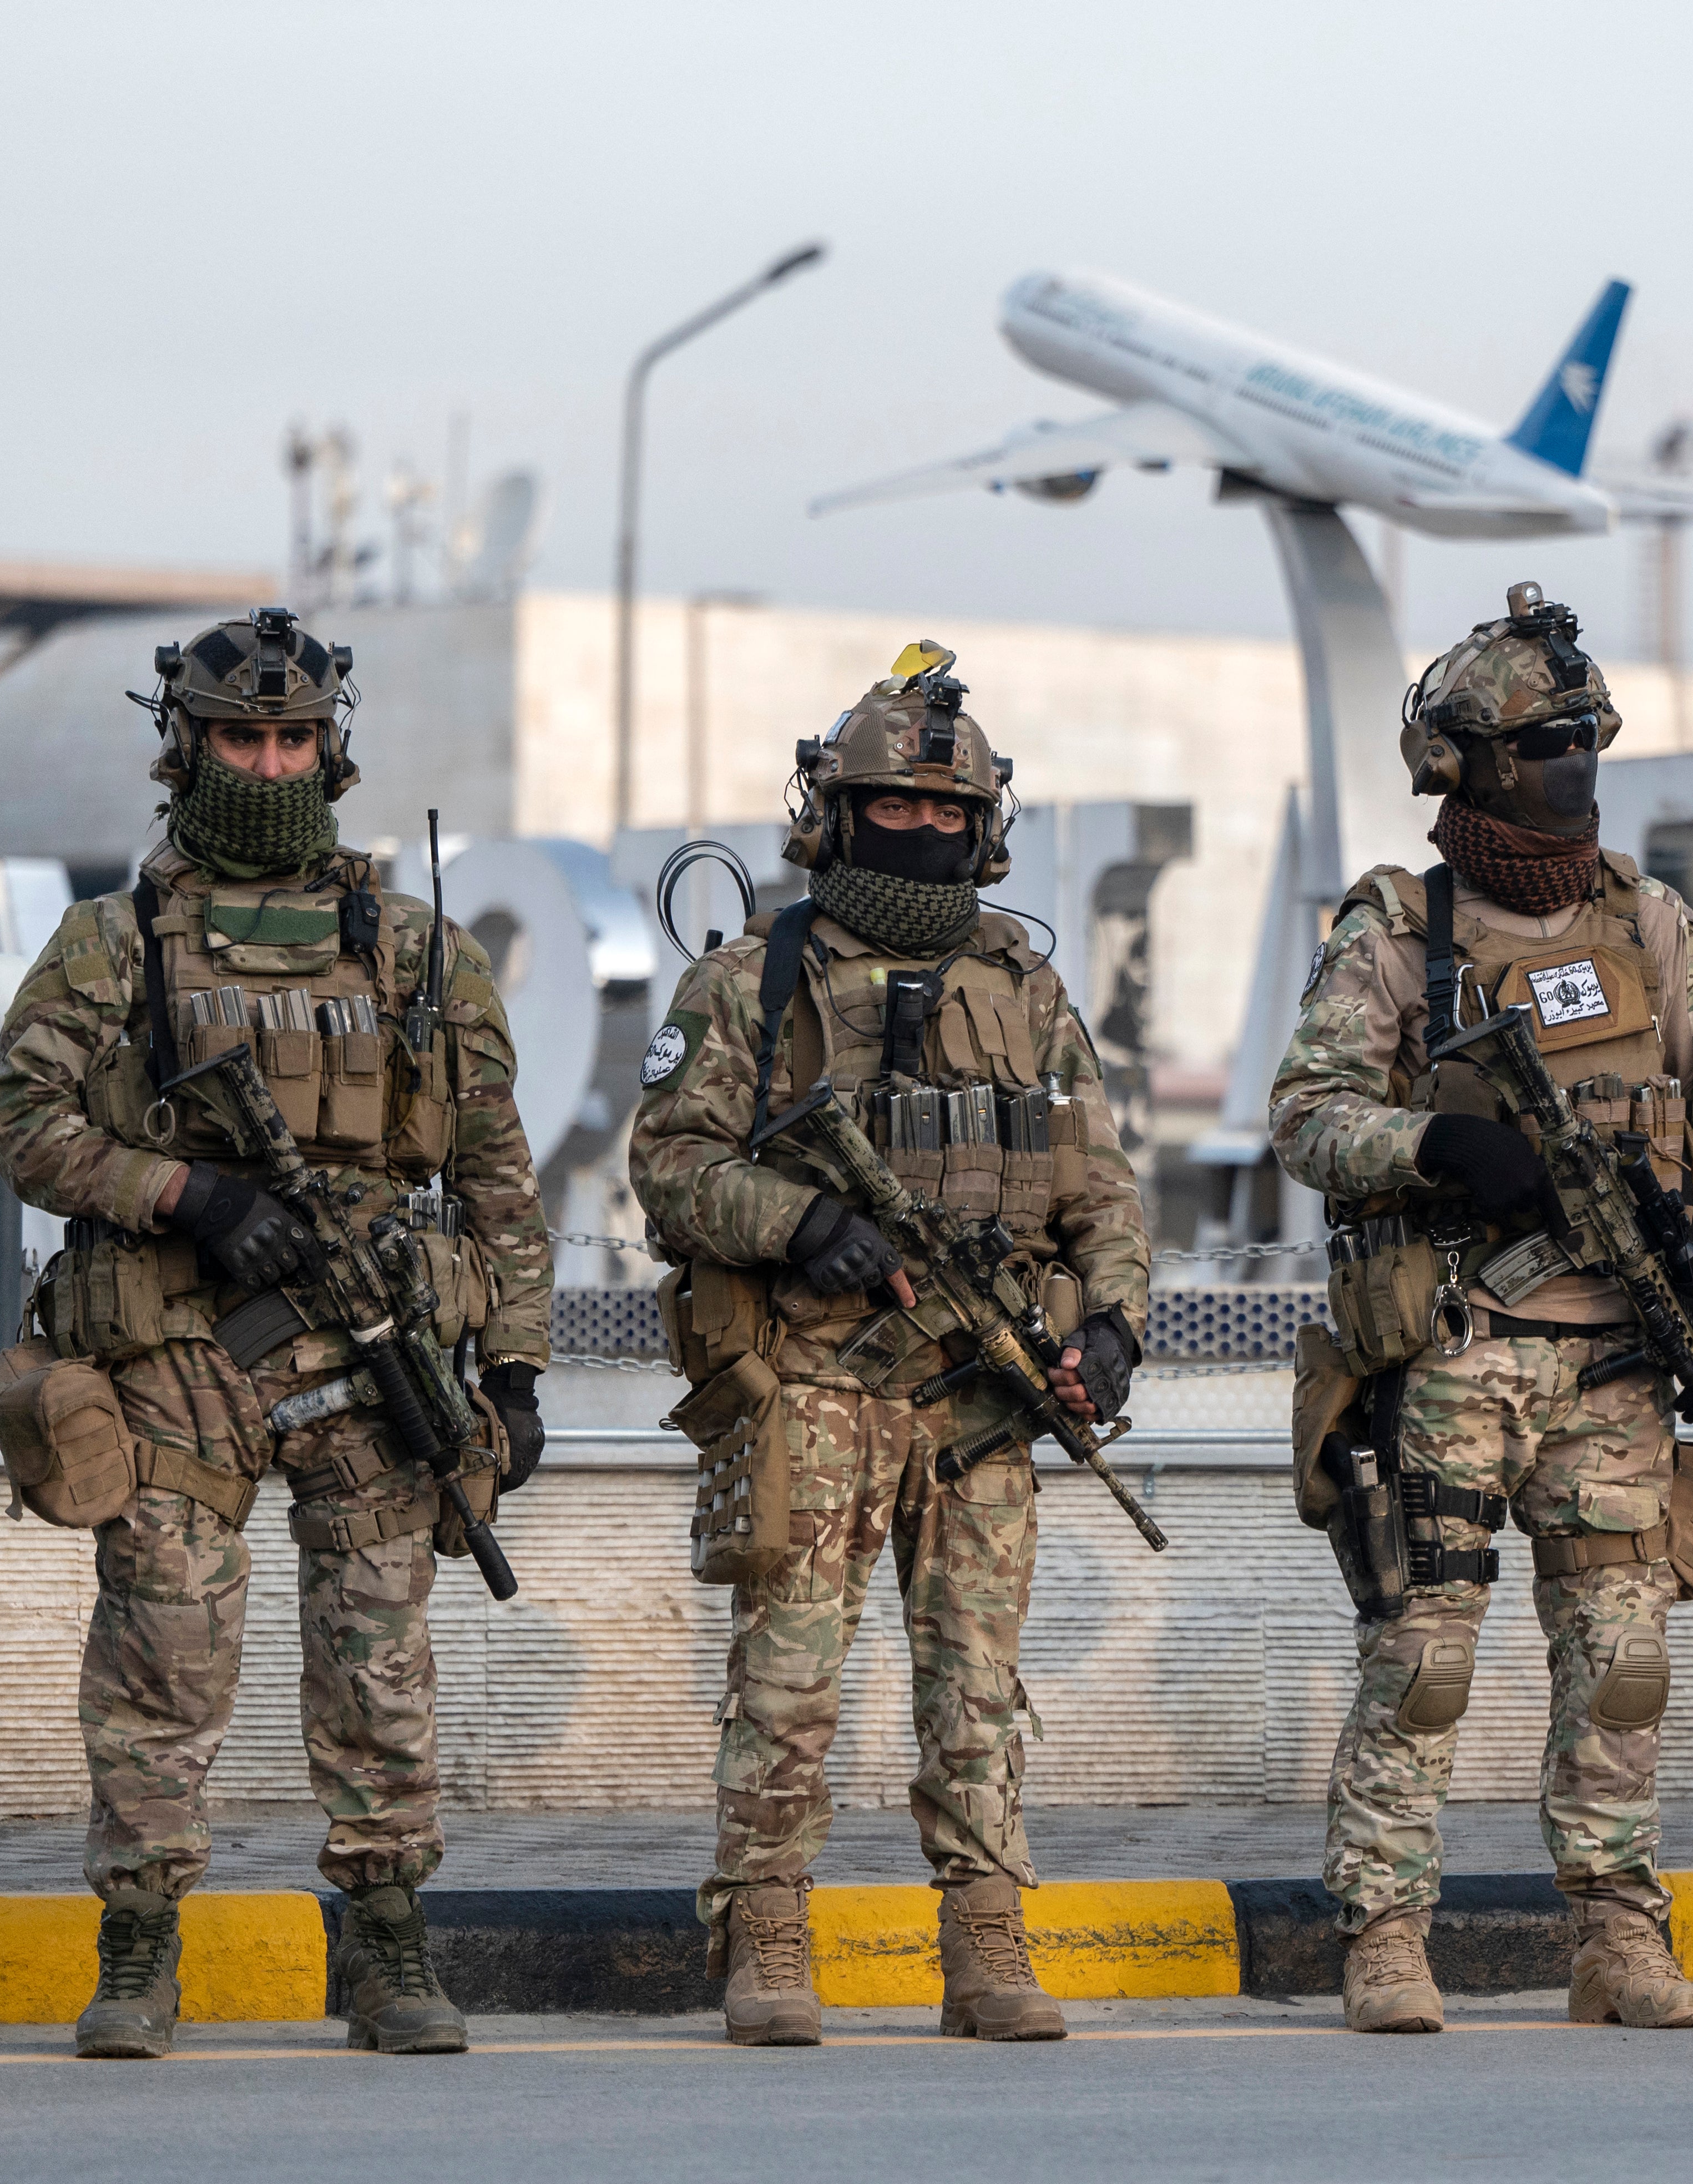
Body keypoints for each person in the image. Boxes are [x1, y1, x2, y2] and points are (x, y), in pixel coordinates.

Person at [0, 608, 551, 2059]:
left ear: (332, 748)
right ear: (190, 744)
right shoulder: (114, 940)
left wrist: (517, 1363)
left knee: (379, 1652)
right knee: (164, 1652)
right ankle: (139, 1944)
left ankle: (386, 1943)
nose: (271, 760)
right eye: (244, 735)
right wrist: (185, 1192)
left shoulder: (416, 946)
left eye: (294, 737)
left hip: (373, 1352)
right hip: (180, 1352)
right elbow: (28, 1128)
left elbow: (495, 1167)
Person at [1269, 582, 1693, 2035]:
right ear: (1470, 766)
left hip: (1620, 1364)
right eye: (1541, 743)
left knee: (1623, 1666)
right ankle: (1383, 1935)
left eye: (1582, 738)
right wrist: (1434, 1145)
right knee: (1424, 1660)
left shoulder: (1653, 920)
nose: (1571, 766)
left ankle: (1618, 1937)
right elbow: (1306, 1113)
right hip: (1455, 1356)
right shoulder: (1399, 924)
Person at [629, 642, 1150, 2046]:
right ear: (835, 815)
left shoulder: (1026, 989)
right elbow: (670, 1166)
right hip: (814, 1381)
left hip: (981, 1391)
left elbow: (1101, 1186)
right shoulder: (754, 979)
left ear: (982, 829)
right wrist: (798, 1226)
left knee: (978, 1685)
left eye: (942, 814)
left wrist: (1112, 1329)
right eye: (891, 809)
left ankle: (985, 1944)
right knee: (788, 1680)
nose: (917, 832)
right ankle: (766, 1937)